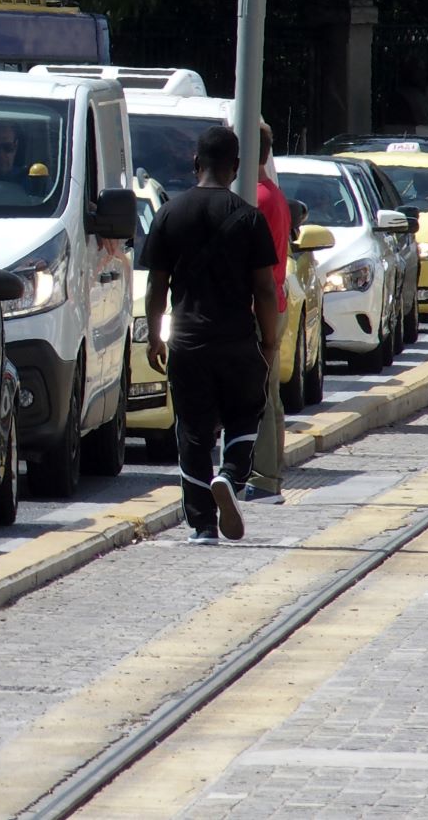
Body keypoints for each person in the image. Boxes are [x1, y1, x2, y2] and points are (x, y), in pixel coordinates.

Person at [142, 125, 280, 544]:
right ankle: (232, 477)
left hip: (187, 342)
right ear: (236, 167)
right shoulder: (249, 218)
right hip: (237, 341)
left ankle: (202, 525)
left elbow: (155, 287)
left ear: (195, 163)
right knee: (245, 413)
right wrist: (270, 341)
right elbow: (264, 289)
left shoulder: (168, 214)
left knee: (193, 431)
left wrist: (154, 337)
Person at [247, 123, 291, 502]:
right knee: (270, 395)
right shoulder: (273, 194)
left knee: (257, 394)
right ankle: (270, 476)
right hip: (274, 302)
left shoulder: (256, 199)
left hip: (260, 305)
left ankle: (261, 479)